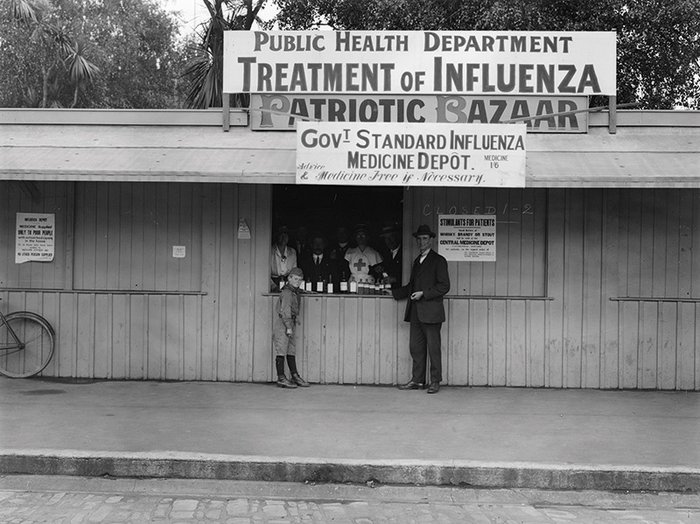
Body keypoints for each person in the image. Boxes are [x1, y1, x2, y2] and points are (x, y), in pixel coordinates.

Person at [390, 224, 450, 394]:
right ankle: (417, 380)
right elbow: (411, 286)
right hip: (416, 312)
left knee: (433, 349)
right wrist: (394, 292)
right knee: (415, 348)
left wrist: (424, 293)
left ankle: (435, 381)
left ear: (431, 240)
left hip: (431, 312)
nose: (421, 242)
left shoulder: (439, 260)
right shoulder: (417, 261)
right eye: (419, 239)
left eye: (425, 239)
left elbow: (444, 286)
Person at [272, 267, 310, 388]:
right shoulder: (287, 293)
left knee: (291, 349)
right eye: (295, 279)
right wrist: (288, 327)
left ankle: (294, 375)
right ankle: (281, 377)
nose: (297, 282)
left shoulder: (295, 291)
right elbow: (285, 311)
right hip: (283, 323)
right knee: (282, 349)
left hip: (290, 323)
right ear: (289, 278)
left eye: (300, 280)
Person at [375, 223, 402, 288]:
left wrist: (395, 279)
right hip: (387, 291)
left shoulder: (404, 253)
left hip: (400, 292)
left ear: (397, 236)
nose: (389, 241)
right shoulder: (385, 254)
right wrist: (380, 269)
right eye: (386, 238)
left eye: (391, 237)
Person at [270, 226, 297, 291]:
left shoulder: (292, 252)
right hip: (272, 284)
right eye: (281, 234)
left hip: (288, 285)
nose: (283, 237)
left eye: (285, 235)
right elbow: (264, 272)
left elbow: (294, 271)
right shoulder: (270, 250)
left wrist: (289, 286)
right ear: (277, 236)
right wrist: (273, 286)